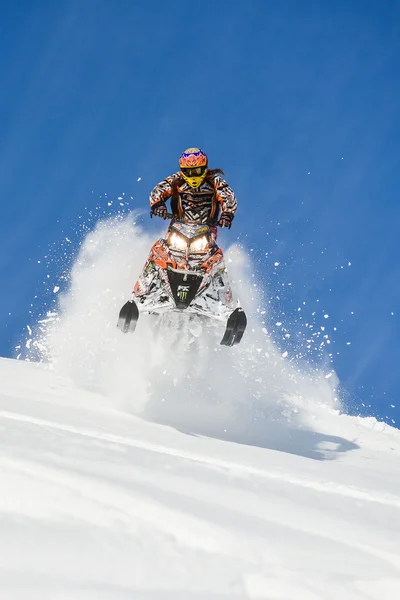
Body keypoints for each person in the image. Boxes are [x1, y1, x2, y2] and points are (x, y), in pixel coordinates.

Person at [150, 147, 237, 230]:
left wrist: (226, 215)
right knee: (160, 245)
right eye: (189, 171)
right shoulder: (176, 179)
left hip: (208, 229)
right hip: (178, 226)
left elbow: (228, 196)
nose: (193, 174)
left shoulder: (215, 181)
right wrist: (159, 206)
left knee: (212, 246)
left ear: (204, 168)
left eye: (197, 170)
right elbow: (158, 190)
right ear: (183, 170)